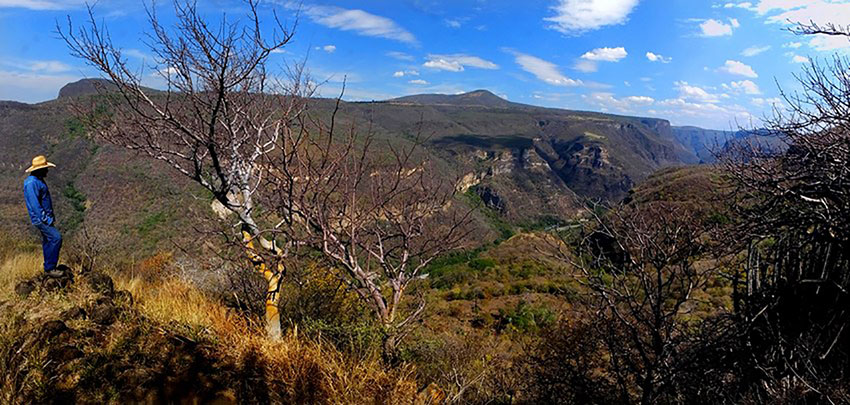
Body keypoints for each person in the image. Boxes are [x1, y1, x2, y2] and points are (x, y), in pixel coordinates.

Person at [23, 155, 64, 277]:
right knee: (56, 238)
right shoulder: (32, 183)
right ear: (39, 170)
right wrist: (46, 219)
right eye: (45, 168)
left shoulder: (38, 180)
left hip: (45, 218)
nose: (47, 170)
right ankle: (50, 268)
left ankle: (48, 267)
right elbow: (35, 205)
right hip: (41, 219)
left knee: (48, 240)